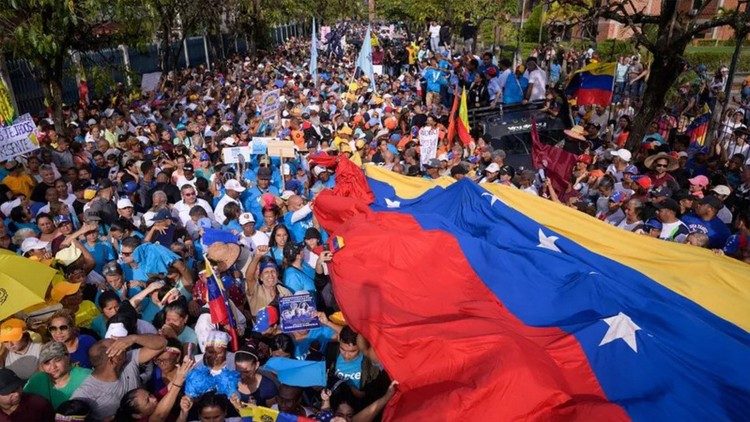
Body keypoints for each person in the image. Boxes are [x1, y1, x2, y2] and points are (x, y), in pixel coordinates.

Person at [70, 333, 167, 420]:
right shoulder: (86, 393)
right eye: (118, 347)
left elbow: (162, 344)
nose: (124, 346)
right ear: (113, 360)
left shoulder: (129, 360)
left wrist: (133, 338)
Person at [23, 341, 92, 410]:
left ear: (67, 356)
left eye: (57, 360)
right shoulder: (37, 380)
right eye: (47, 363)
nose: (53, 367)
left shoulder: (86, 377)